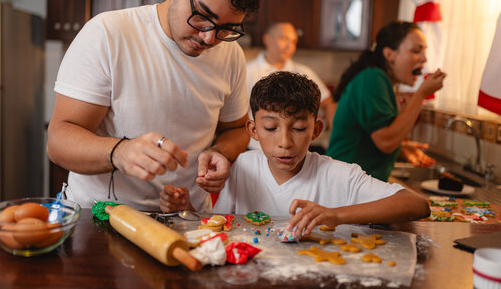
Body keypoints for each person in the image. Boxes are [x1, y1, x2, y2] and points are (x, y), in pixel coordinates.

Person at [46, 0, 266, 210]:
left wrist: (219, 152)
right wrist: (118, 152)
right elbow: (58, 140)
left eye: (226, 28)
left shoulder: (230, 54)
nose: (209, 39)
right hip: (100, 222)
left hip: (186, 219)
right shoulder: (108, 34)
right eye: (202, 15)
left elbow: (235, 129)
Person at [160, 71, 430, 235]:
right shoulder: (243, 167)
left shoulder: (339, 174)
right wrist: (187, 210)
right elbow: (217, 225)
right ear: (253, 131)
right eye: (270, 127)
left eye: (299, 128)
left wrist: (336, 215)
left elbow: (417, 205)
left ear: (316, 129)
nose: (285, 142)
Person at [326, 21, 447, 182]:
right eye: (416, 51)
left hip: (351, 183)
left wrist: (401, 149)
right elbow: (386, 141)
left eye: (424, 51)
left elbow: (372, 139)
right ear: (389, 54)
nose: (424, 59)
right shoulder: (373, 78)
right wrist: (421, 94)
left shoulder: (380, 81)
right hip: (345, 185)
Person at [246, 22, 337, 151]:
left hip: (297, 150)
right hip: (256, 148)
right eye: (284, 39)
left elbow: (328, 103)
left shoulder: (303, 72)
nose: (289, 46)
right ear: (267, 39)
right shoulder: (247, 71)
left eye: (293, 41)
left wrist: (336, 139)